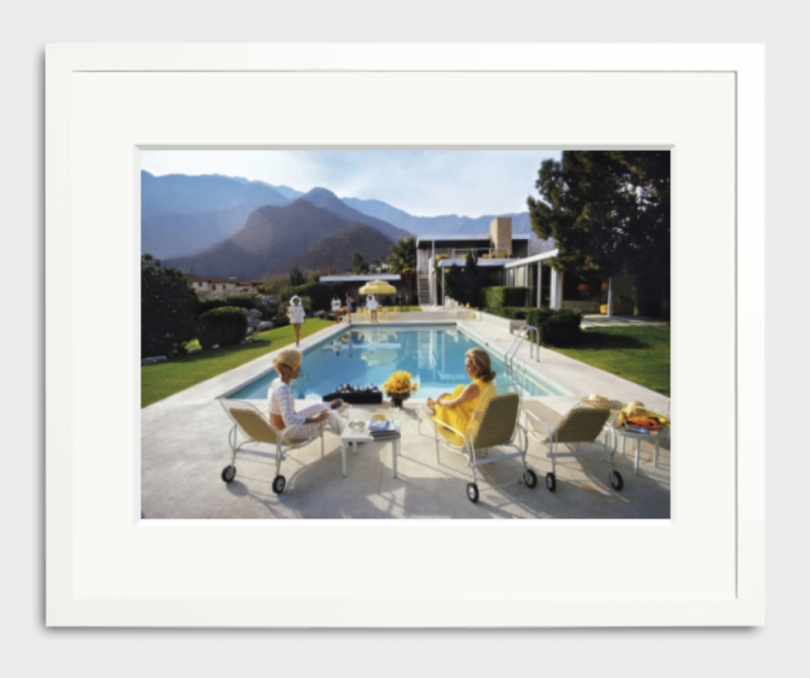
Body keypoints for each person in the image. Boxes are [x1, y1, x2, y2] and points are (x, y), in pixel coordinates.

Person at [268, 348, 345, 438]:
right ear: (289, 369)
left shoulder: (275, 382)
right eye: (297, 367)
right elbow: (289, 419)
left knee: (319, 406)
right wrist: (315, 419)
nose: (299, 370)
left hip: (285, 428)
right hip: (290, 432)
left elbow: (282, 411)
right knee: (330, 416)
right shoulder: (282, 388)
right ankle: (351, 437)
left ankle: (328, 406)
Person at [427, 348, 496, 444]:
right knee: (459, 389)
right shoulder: (489, 384)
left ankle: (437, 407)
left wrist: (440, 401)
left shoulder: (473, 388)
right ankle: (437, 407)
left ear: (477, 367)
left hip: (470, 434)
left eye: (468, 366)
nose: (465, 369)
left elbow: (452, 405)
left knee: (447, 402)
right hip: (484, 429)